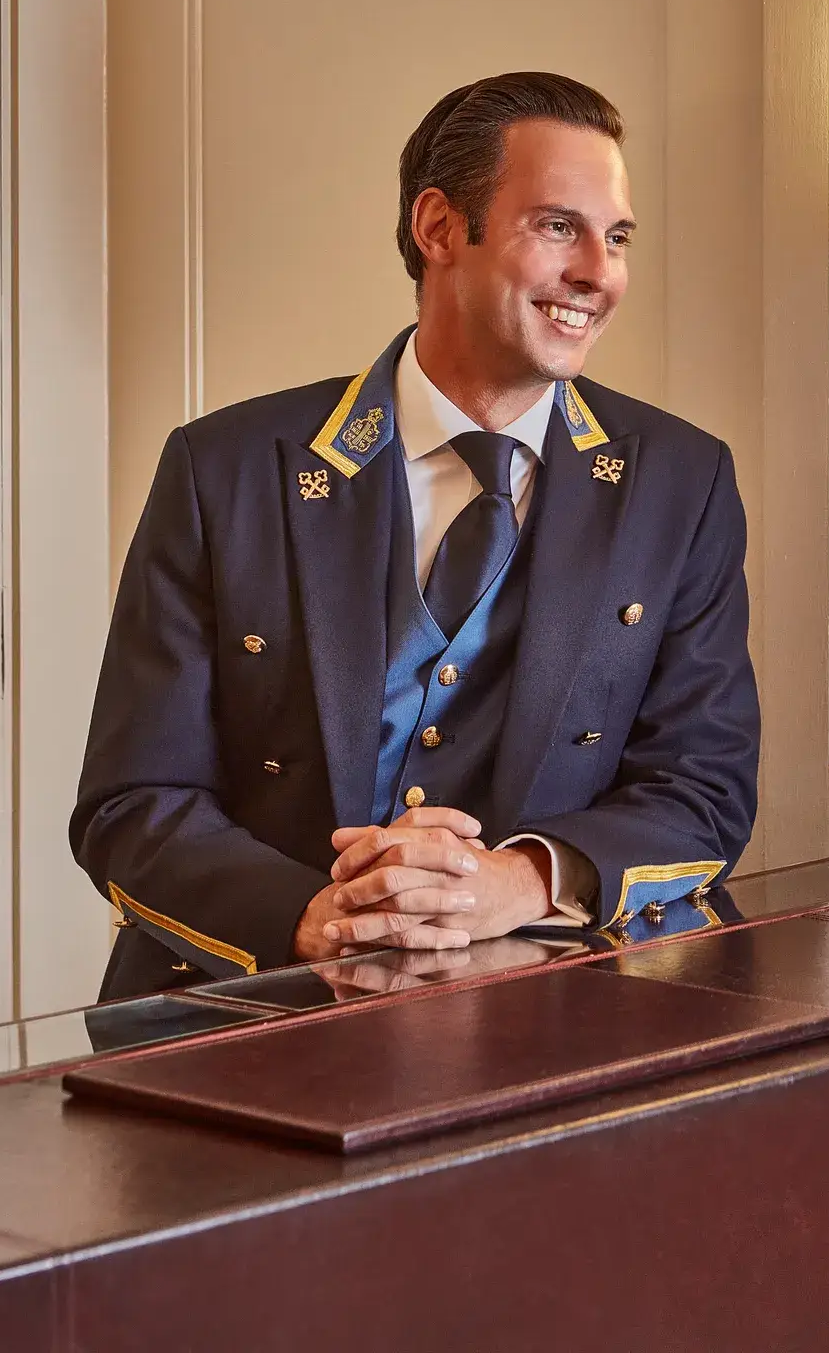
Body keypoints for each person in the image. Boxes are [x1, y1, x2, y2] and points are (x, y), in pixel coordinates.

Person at [71, 71, 760, 997]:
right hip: (249, 1014)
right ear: (439, 228)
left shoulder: (681, 482)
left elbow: (704, 790)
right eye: (559, 226)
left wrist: (512, 883)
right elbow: (130, 802)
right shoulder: (226, 469)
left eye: (618, 236)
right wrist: (311, 916)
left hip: (549, 1014)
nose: (599, 273)